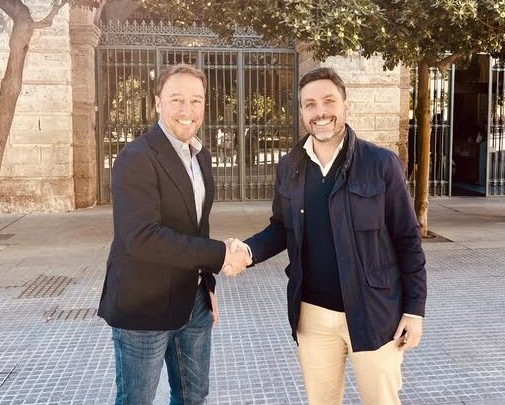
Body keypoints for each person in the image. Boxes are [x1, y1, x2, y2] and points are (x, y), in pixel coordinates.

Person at [229, 67, 427, 405]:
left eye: (328, 101)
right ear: (301, 111)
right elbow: (281, 227)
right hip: (312, 316)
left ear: (346, 106)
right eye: (310, 104)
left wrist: (414, 310)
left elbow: (407, 240)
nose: (320, 112)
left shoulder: (381, 163)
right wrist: (247, 251)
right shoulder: (289, 165)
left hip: (374, 312)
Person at [97, 64, 250, 405]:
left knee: (193, 396)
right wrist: (221, 254)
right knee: (136, 400)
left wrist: (208, 285)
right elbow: (142, 237)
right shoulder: (136, 157)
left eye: (196, 100)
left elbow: (197, 227)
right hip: (144, 307)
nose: (187, 109)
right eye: (177, 99)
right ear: (157, 103)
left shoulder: (201, 155)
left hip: (193, 303)